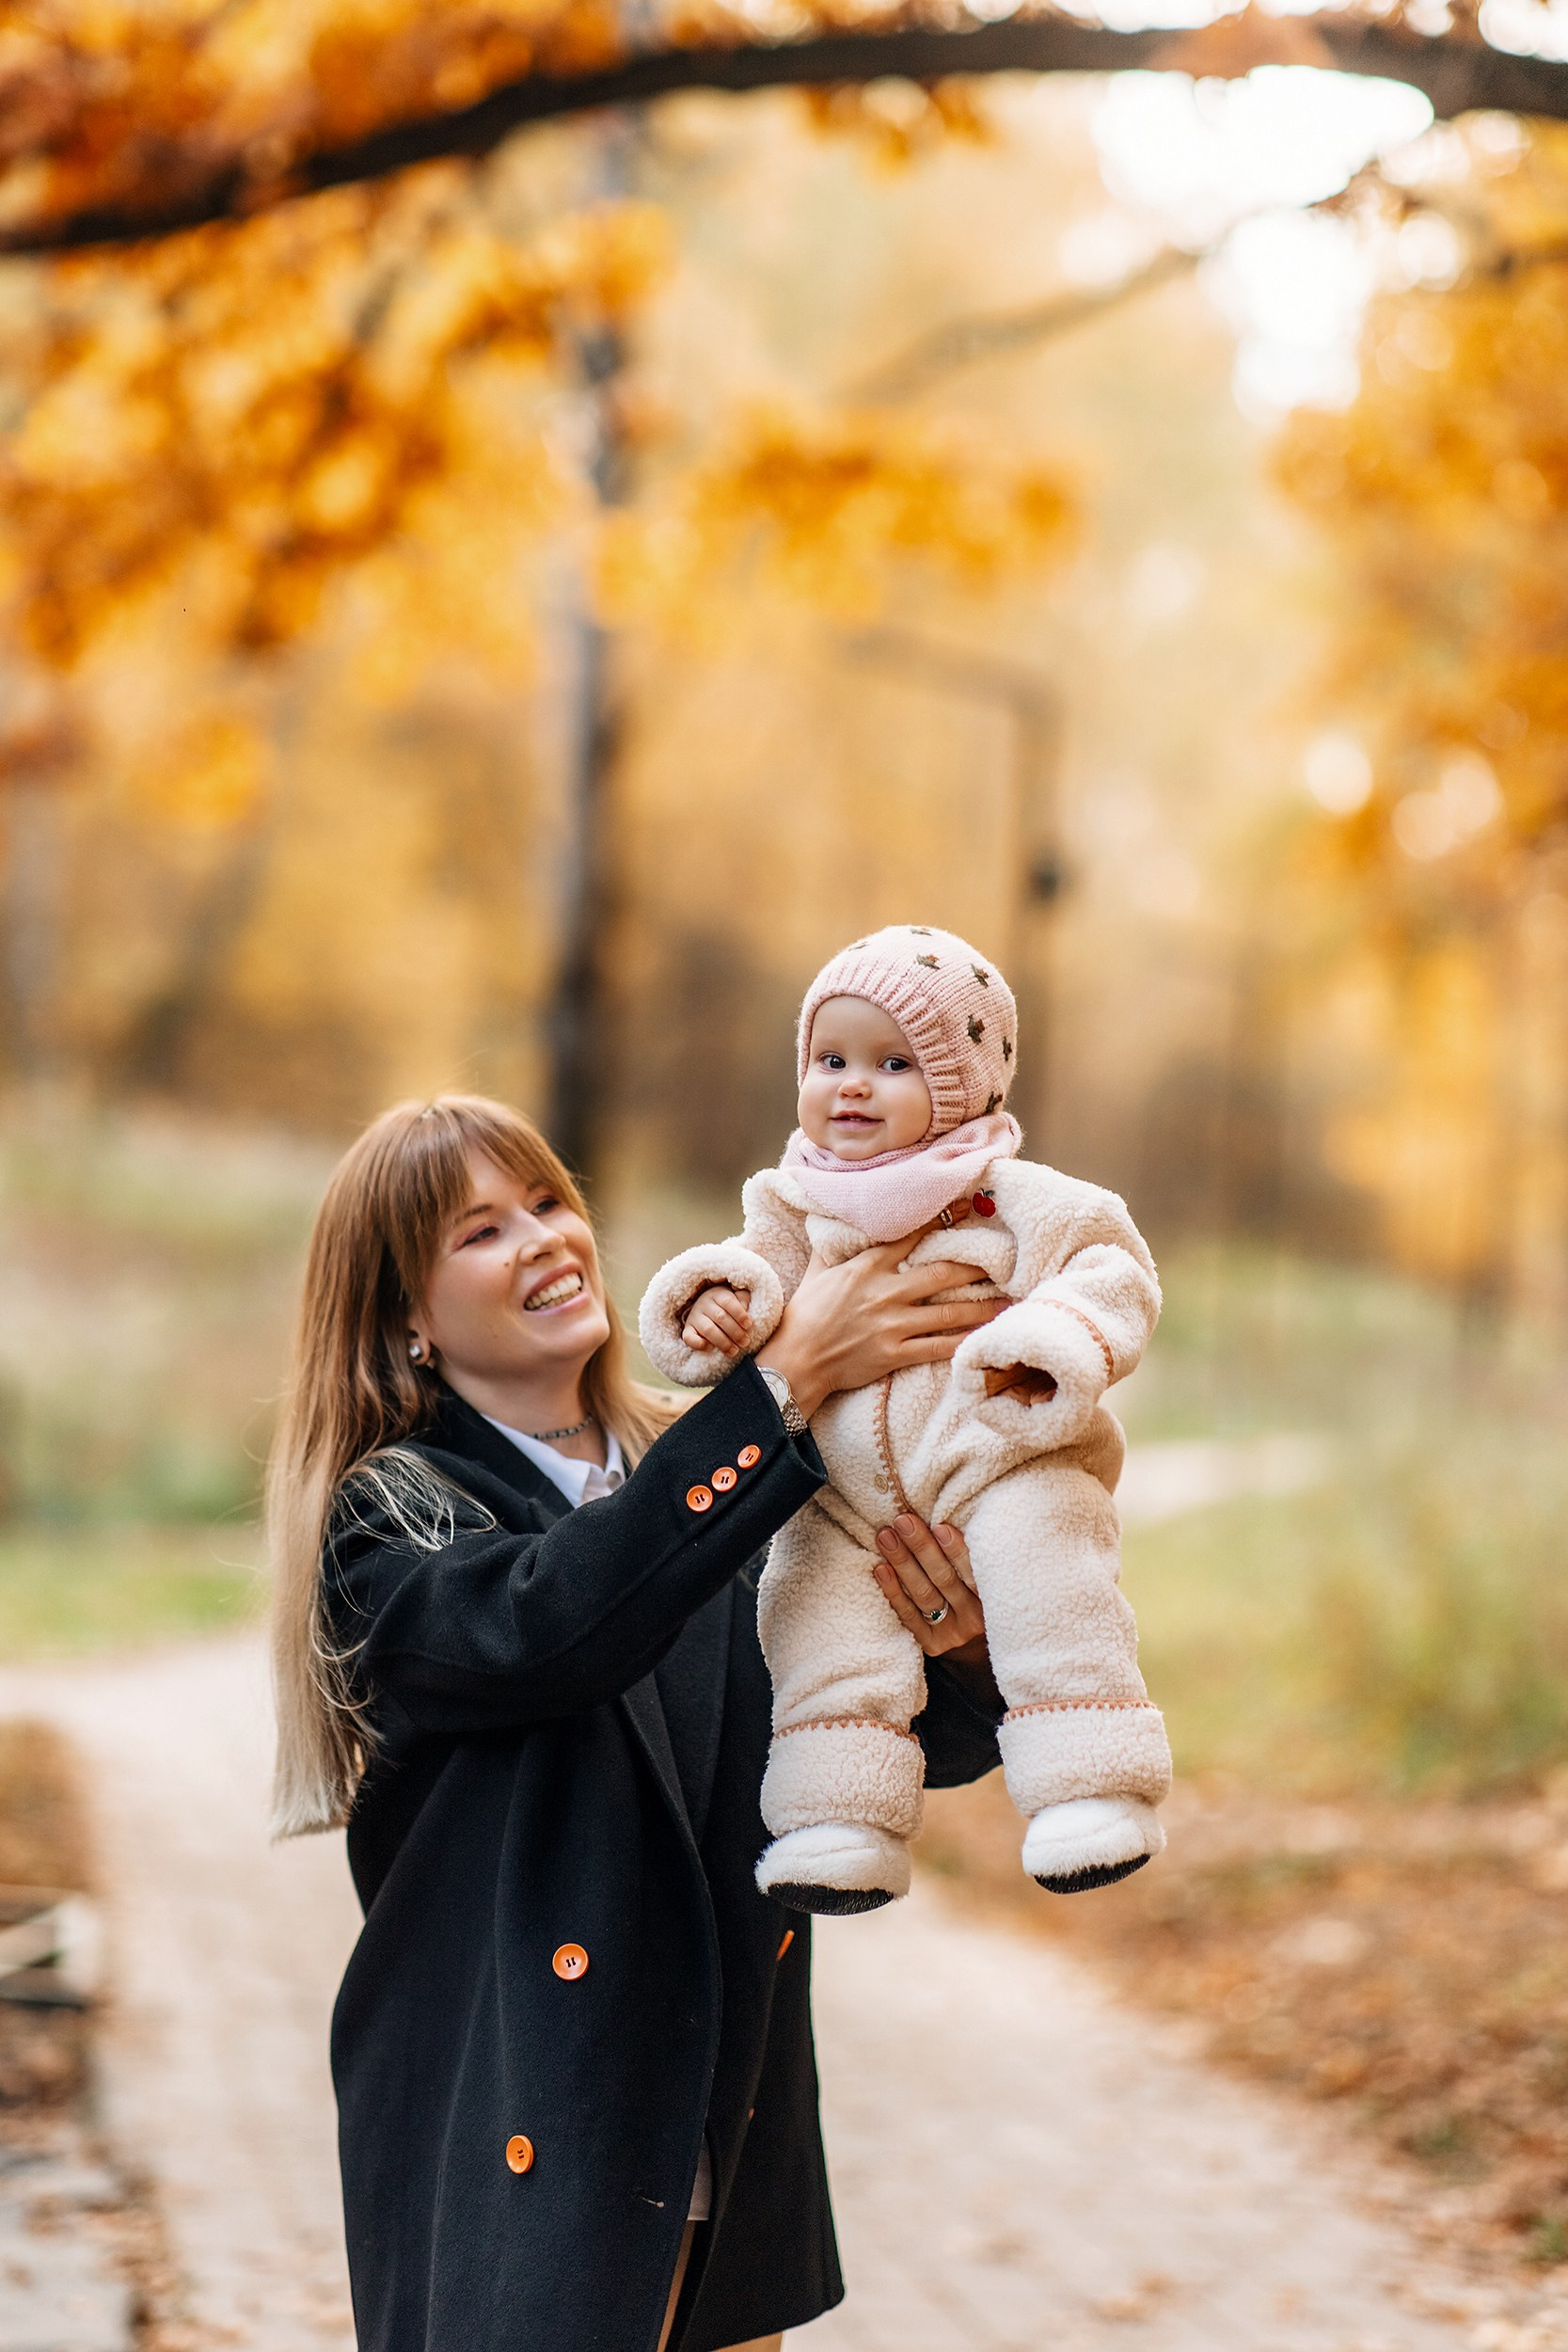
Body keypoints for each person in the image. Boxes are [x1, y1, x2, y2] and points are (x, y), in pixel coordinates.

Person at [266, 1092, 1009, 2352]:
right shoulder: (391, 1518)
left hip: (722, 2099)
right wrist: (780, 1386)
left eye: (547, 1202)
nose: (544, 1239)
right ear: (404, 1321)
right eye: (479, 1232)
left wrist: (962, 1648)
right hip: (530, 2115)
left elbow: (867, 1736)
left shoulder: (715, 1469)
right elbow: (553, 1624)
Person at [639, 925, 1171, 1916]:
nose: (852, 1086)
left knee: (1049, 1584)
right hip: (838, 1496)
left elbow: (1110, 1270)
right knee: (817, 1623)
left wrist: (1047, 1342)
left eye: (892, 1065)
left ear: (962, 1088)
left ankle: (1090, 1783)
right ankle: (838, 1822)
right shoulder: (793, 1203)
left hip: (997, 1457)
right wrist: (714, 1301)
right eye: (830, 1059)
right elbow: (755, 1276)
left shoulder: (1008, 1196)